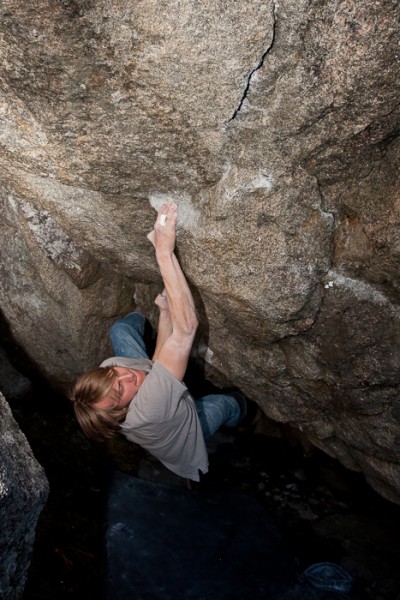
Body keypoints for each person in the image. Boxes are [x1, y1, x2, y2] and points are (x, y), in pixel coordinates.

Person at [70, 202, 246, 483]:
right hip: (188, 428)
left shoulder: (116, 372)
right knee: (225, 404)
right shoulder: (150, 407)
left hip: (162, 398)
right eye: (119, 389)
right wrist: (164, 252)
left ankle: (139, 315)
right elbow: (187, 328)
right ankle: (246, 417)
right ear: (121, 411)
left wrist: (164, 311)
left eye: (113, 374)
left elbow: (153, 368)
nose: (127, 375)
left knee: (119, 332)